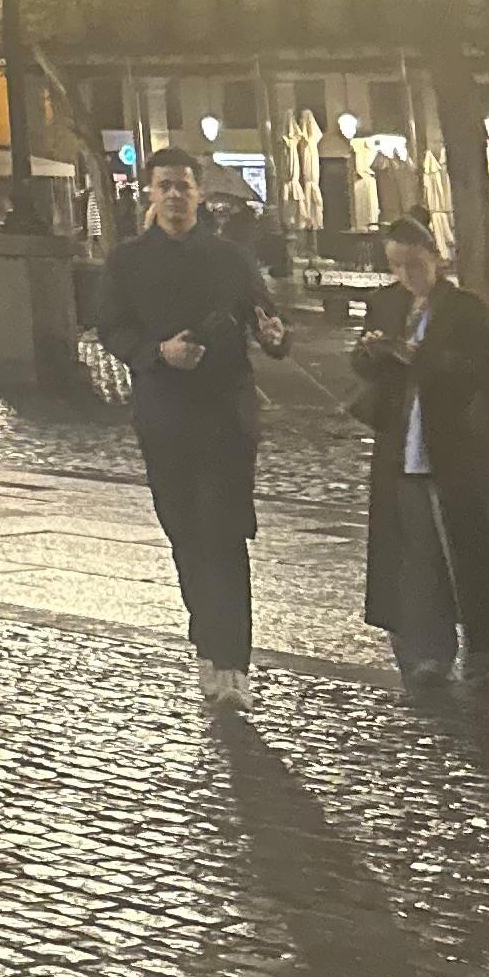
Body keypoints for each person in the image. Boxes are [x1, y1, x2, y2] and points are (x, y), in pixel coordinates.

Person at [94, 144, 291, 708]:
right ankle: (207, 639)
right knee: (185, 534)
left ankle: (233, 662)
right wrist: (158, 353)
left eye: (184, 185)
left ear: (198, 193)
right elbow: (111, 328)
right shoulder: (127, 261)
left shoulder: (230, 258)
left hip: (226, 414)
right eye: (166, 186)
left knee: (223, 534)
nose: (175, 195)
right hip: (164, 415)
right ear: (150, 193)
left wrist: (276, 337)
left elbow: (266, 318)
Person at [351, 218, 489, 688]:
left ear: (434, 258)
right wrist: (373, 353)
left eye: (414, 264)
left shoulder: (466, 309)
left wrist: (427, 360)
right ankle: (427, 652)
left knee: (474, 552)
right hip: (403, 448)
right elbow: (363, 365)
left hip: (459, 451)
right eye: (396, 266)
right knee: (416, 560)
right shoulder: (386, 304)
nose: (406, 275)